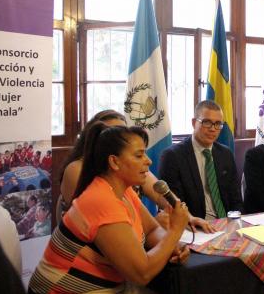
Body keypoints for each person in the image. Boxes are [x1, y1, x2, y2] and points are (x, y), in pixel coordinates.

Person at [28, 123, 190, 293]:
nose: (148, 161)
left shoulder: (123, 191)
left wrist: (173, 245)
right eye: (139, 155)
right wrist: (174, 232)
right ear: (114, 162)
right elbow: (142, 273)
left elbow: (151, 231)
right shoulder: (101, 200)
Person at [60, 109, 213, 232]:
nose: (147, 160)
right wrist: (158, 227)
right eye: (112, 134)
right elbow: (96, 225)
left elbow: (161, 194)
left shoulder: (128, 174)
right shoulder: (76, 169)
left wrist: (186, 217)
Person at [159, 100, 243, 220]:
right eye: (207, 122)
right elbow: (175, 204)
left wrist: (236, 222)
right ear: (194, 123)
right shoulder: (173, 156)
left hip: (227, 222)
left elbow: (236, 198)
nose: (213, 129)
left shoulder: (226, 154)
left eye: (218, 124)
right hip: (195, 225)